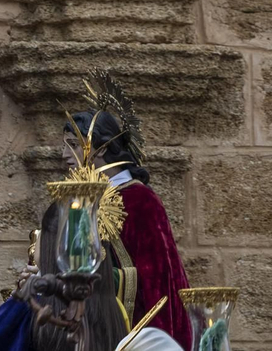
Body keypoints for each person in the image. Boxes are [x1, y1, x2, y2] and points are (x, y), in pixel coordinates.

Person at [63, 100, 190, 350]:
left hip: (130, 328)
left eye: (73, 145)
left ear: (101, 149)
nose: (64, 155)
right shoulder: (82, 201)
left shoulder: (140, 200)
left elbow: (158, 279)